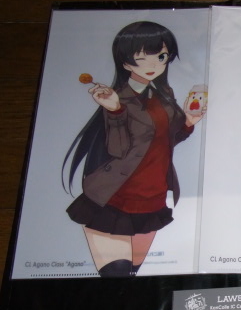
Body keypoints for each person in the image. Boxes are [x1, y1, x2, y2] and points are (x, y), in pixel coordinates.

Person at [62, 21, 204, 277]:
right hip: (114, 198)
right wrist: (115, 111)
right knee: (116, 274)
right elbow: (118, 149)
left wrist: (188, 124)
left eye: (161, 57)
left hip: (152, 199)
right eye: (141, 58)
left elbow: (159, 143)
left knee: (132, 276)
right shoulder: (116, 98)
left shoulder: (164, 94)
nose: (154, 65)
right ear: (125, 63)